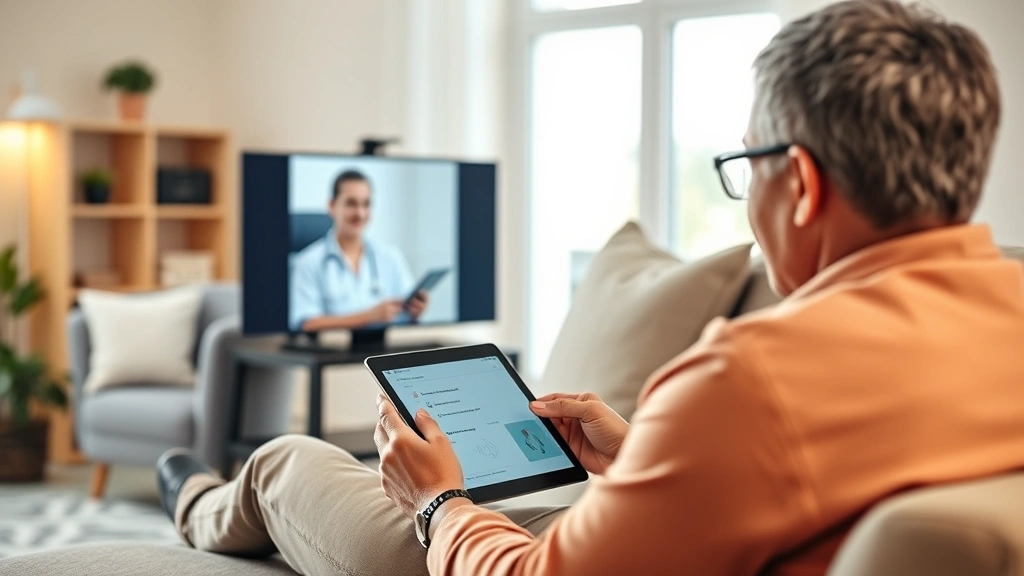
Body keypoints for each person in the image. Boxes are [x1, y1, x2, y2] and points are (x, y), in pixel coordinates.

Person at [155, 1, 1022, 574]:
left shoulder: (751, 379)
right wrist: (646, 455)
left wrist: (439, 501)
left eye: (744, 165)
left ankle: (200, 501)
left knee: (289, 460)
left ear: (799, 182)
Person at [289, 169, 429, 332]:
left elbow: (405, 316)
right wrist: (370, 316)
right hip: (334, 348)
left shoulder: (391, 257)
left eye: (366, 204)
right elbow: (306, 323)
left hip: (386, 346)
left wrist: (416, 310)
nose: (360, 213)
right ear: (332, 206)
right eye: (351, 204)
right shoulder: (307, 263)